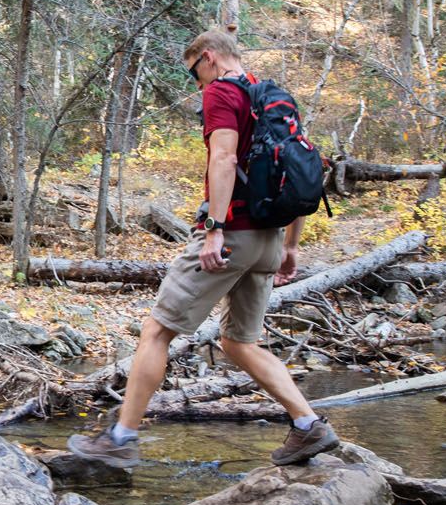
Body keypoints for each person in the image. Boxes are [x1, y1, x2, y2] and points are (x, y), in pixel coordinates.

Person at [67, 29, 339, 468]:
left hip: (231, 236)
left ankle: (121, 437)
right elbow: (302, 167)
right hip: (269, 239)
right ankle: (309, 426)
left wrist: (215, 228)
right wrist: (291, 245)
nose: (197, 84)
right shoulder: (274, 98)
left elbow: (224, 159)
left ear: (208, 58)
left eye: (194, 73)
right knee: (239, 342)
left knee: (157, 331)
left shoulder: (222, 93)